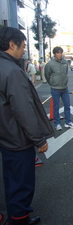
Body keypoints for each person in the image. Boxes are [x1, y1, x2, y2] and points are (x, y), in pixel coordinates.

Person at [0, 27, 54, 225]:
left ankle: (16, 216)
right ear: (12, 44)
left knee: (11, 179)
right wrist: (39, 139)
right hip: (17, 137)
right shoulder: (12, 71)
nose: (24, 50)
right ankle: (19, 220)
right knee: (21, 183)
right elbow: (23, 109)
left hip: (5, 134)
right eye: (22, 46)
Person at [45, 46, 73, 131]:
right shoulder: (50, 64)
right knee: (56, 107)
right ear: (54, 54)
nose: (60, 54)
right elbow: (47, 75)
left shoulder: (65, 62)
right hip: (55, 88)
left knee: (67, 106)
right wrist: (52, 82)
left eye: (61, 52)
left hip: (64, 88)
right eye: (58, 52)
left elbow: (65, 73)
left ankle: (68, 122)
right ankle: (57, 123)